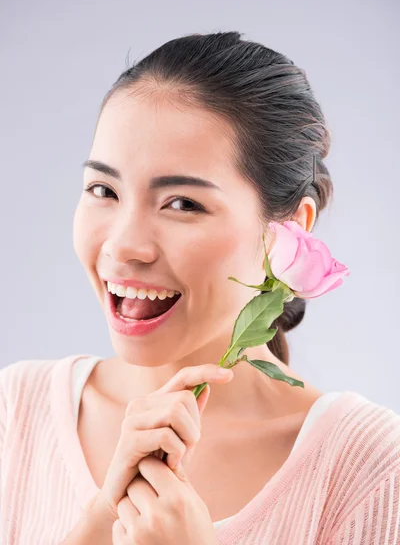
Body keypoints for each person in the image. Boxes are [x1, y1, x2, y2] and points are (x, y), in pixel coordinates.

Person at [0, 31, 399, 545]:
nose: (124, 247)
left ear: (290, 229)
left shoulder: (367, 469)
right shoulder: (15, 414)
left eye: (183, 204)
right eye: (104, 190)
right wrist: (97, 524)